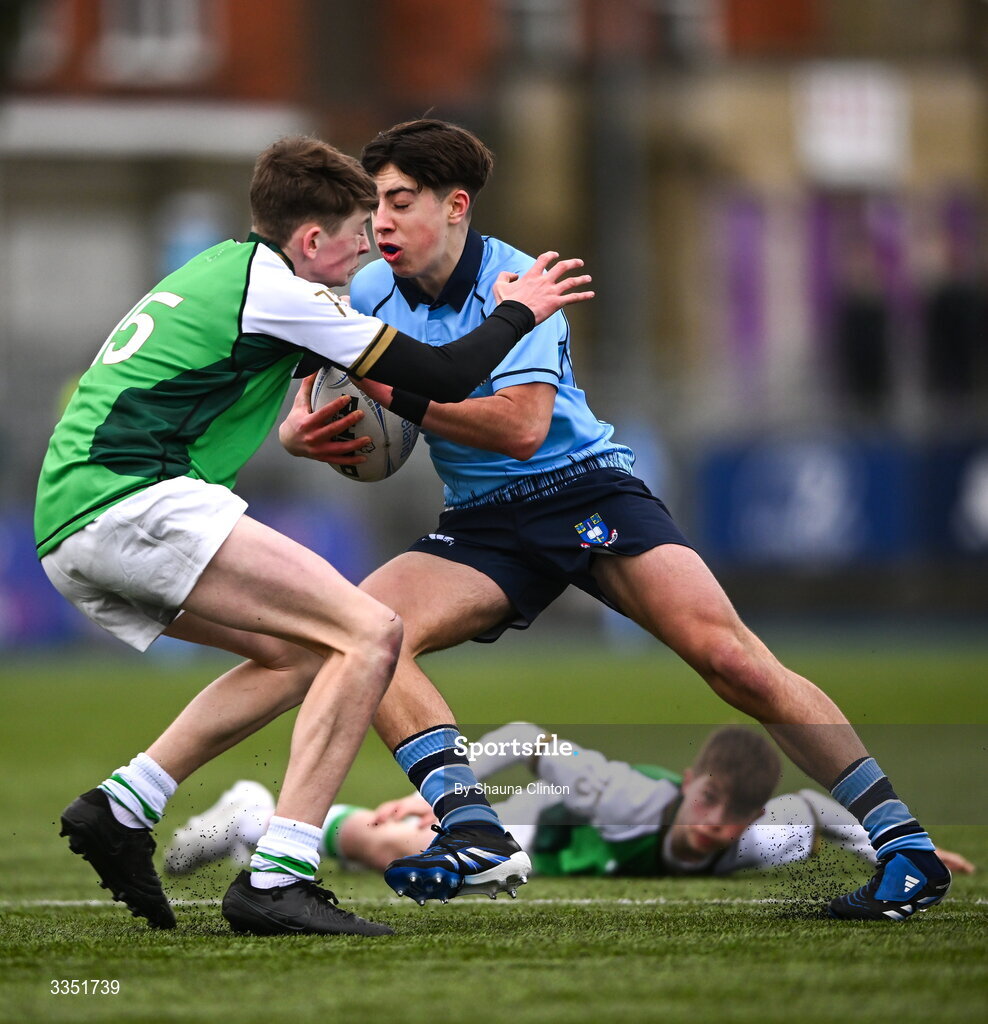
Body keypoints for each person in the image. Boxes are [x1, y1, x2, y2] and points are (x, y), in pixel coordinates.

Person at [277, 118, 954, 923]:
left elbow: (522, 428)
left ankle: (903, 847)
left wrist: (399, 397)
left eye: (399, 201)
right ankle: (472, 827)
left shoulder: (524, 281)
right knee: (367, 633)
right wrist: (297, 430)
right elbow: (313, 381)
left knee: (731, 660)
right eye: (374, 204)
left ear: (456, 206)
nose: (380, 221)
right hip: (482, 522)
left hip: (583, 492)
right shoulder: (368, 289)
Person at [34, 134, 593, 937]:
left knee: (303, 652)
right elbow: (443, 377)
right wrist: (521, 310)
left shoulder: (228, 270)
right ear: (311, 242)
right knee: (371, 633)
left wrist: (298, 434)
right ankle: (279, 876)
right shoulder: (284, 292)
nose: (371, 248)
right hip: (135, 499)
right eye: (360, 231)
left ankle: (121, 808)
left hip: (71, 523)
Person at [162, 724, 975, 886]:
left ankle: (261, 820)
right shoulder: (619, 797)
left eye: (735, 815)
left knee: (397, 843)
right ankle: (252, 818)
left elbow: (812, 805)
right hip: (526, 831)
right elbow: (525, 737)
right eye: (709, 801)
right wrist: (447, 799)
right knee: (404, 847)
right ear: (691, 782)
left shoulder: (757, 840)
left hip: (556, 856)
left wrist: (892, 847)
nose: (715, 826)